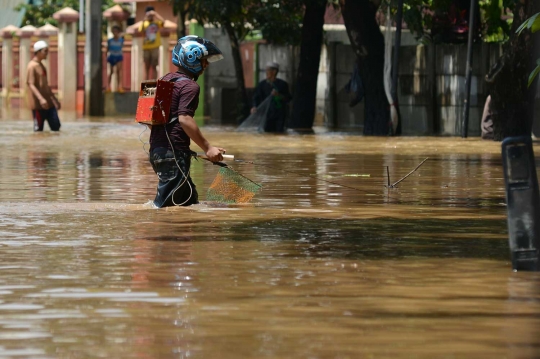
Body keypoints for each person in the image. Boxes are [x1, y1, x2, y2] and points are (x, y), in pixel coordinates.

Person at [148, 35, 226, 208]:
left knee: (188, 204)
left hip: (158, 151)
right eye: (203, 60)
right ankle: (155, 231)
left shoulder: (166, 80)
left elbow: (150, 116)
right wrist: (208, 148)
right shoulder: (190, 86)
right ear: (191, 58)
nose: (206, 65)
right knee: (164, 209)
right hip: (172, 155)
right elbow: (184, 118)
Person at [26, 40, 61, 132]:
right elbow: (31, 84)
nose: (47, 54)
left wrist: (54, 99)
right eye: (45, 51)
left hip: (49, 104)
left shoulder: (42, 66)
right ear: (38, 52)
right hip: (38, 105)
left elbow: (46, 85)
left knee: (56, 128)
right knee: (38, 131)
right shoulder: (32, 66)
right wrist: (41, 99)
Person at [250, 62, 292, 132]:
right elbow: (256, 97)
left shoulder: (282, 84)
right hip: (266, 114)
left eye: (268, 70)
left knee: (279, 132)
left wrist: (278, 95)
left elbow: (288, 98)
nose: (266, 72)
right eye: (266, 70)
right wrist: (254, 106)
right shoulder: (262, 85)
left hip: (279, 114)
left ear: (274, 71)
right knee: (267, 133)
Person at [138, 6, 164, 80]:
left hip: (155, 47)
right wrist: (145, 18)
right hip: (146, 48)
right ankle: (146, 84)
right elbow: (141, 30)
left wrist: (155, 14)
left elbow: (163, 22)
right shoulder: (144, 23)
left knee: (154, 66)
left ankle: (154, 83)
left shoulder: (156, 23)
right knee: (146, 67)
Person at [106, 25, 125, 93]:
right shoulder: (110, 41)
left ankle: (119, 87)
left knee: (119, 71)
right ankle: (108, 87)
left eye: (117, 31)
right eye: (114, 31)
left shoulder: (121, 40)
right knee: (111, 72)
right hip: (111, 56)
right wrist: (106, 57)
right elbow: (107, 49)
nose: (115, 33)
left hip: (118, 56)